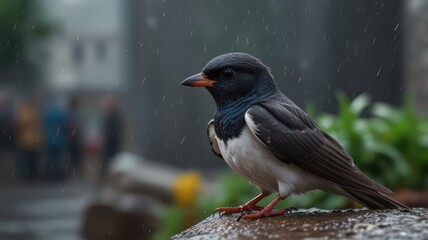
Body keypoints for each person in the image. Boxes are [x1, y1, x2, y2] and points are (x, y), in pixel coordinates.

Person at [15, 100, 41, 180]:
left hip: (28, 140)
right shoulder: (29, 113)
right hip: (29, 140)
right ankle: (29, 175)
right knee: (29, 160)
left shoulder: (25, 113)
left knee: (29, 160)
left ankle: (28, 175)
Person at [44, 98, 69, 180]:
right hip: (59, 140)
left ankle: (51, 174)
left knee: (51, 158)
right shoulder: (61, 114)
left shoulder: (49, 113)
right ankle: (59, 175)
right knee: (59, 159)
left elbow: (46, 125)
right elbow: (64, 125)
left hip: (50, 139)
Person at [101, 95, 122, 178]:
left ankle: (108, 176)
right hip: (113, 142)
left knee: (110, 161)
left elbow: (110, 130)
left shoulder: (111, 115)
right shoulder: (116, 114)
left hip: (111, 142)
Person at [68, 96, 83, 176]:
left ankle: (73, 170)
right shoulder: (74, 114)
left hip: (73, 138)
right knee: (74, 155)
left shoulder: (71, 113)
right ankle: (74, 171)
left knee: (73, 155)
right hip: (73, 138)